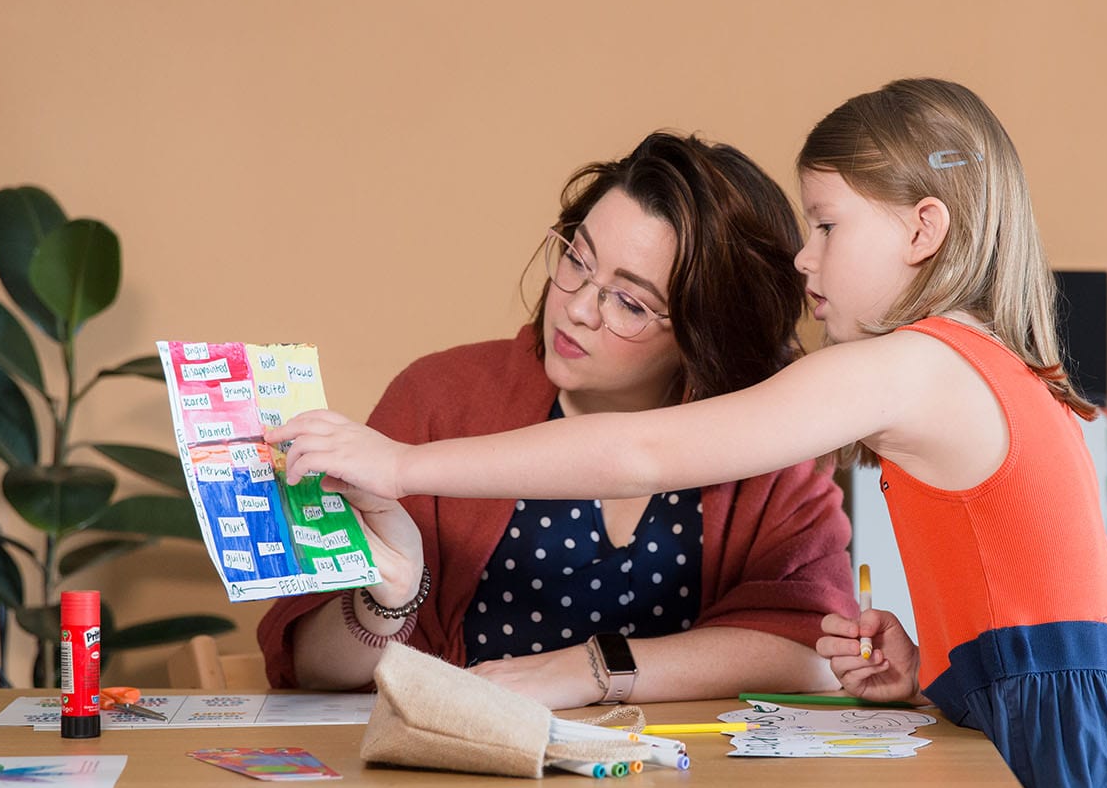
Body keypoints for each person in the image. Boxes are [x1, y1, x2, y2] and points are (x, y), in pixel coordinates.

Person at [271, 80, 1107, 788]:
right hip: (1076, 734)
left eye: (827, 226)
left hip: (1045, 743)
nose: (804, 263)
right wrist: (936, 664)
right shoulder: (992, 368)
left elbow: (643, 448)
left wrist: (401, 464)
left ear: (924, 230)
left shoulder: (912, 365)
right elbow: (1028, 604)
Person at [257, 131, 855, 710]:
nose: (574, 307)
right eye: (576, 258)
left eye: (629, 301)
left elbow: (814, 646)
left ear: (706, 334)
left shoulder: (764, 435)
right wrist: (384, 603)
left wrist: (593, 669)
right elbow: (309, 668)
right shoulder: (439, 398)